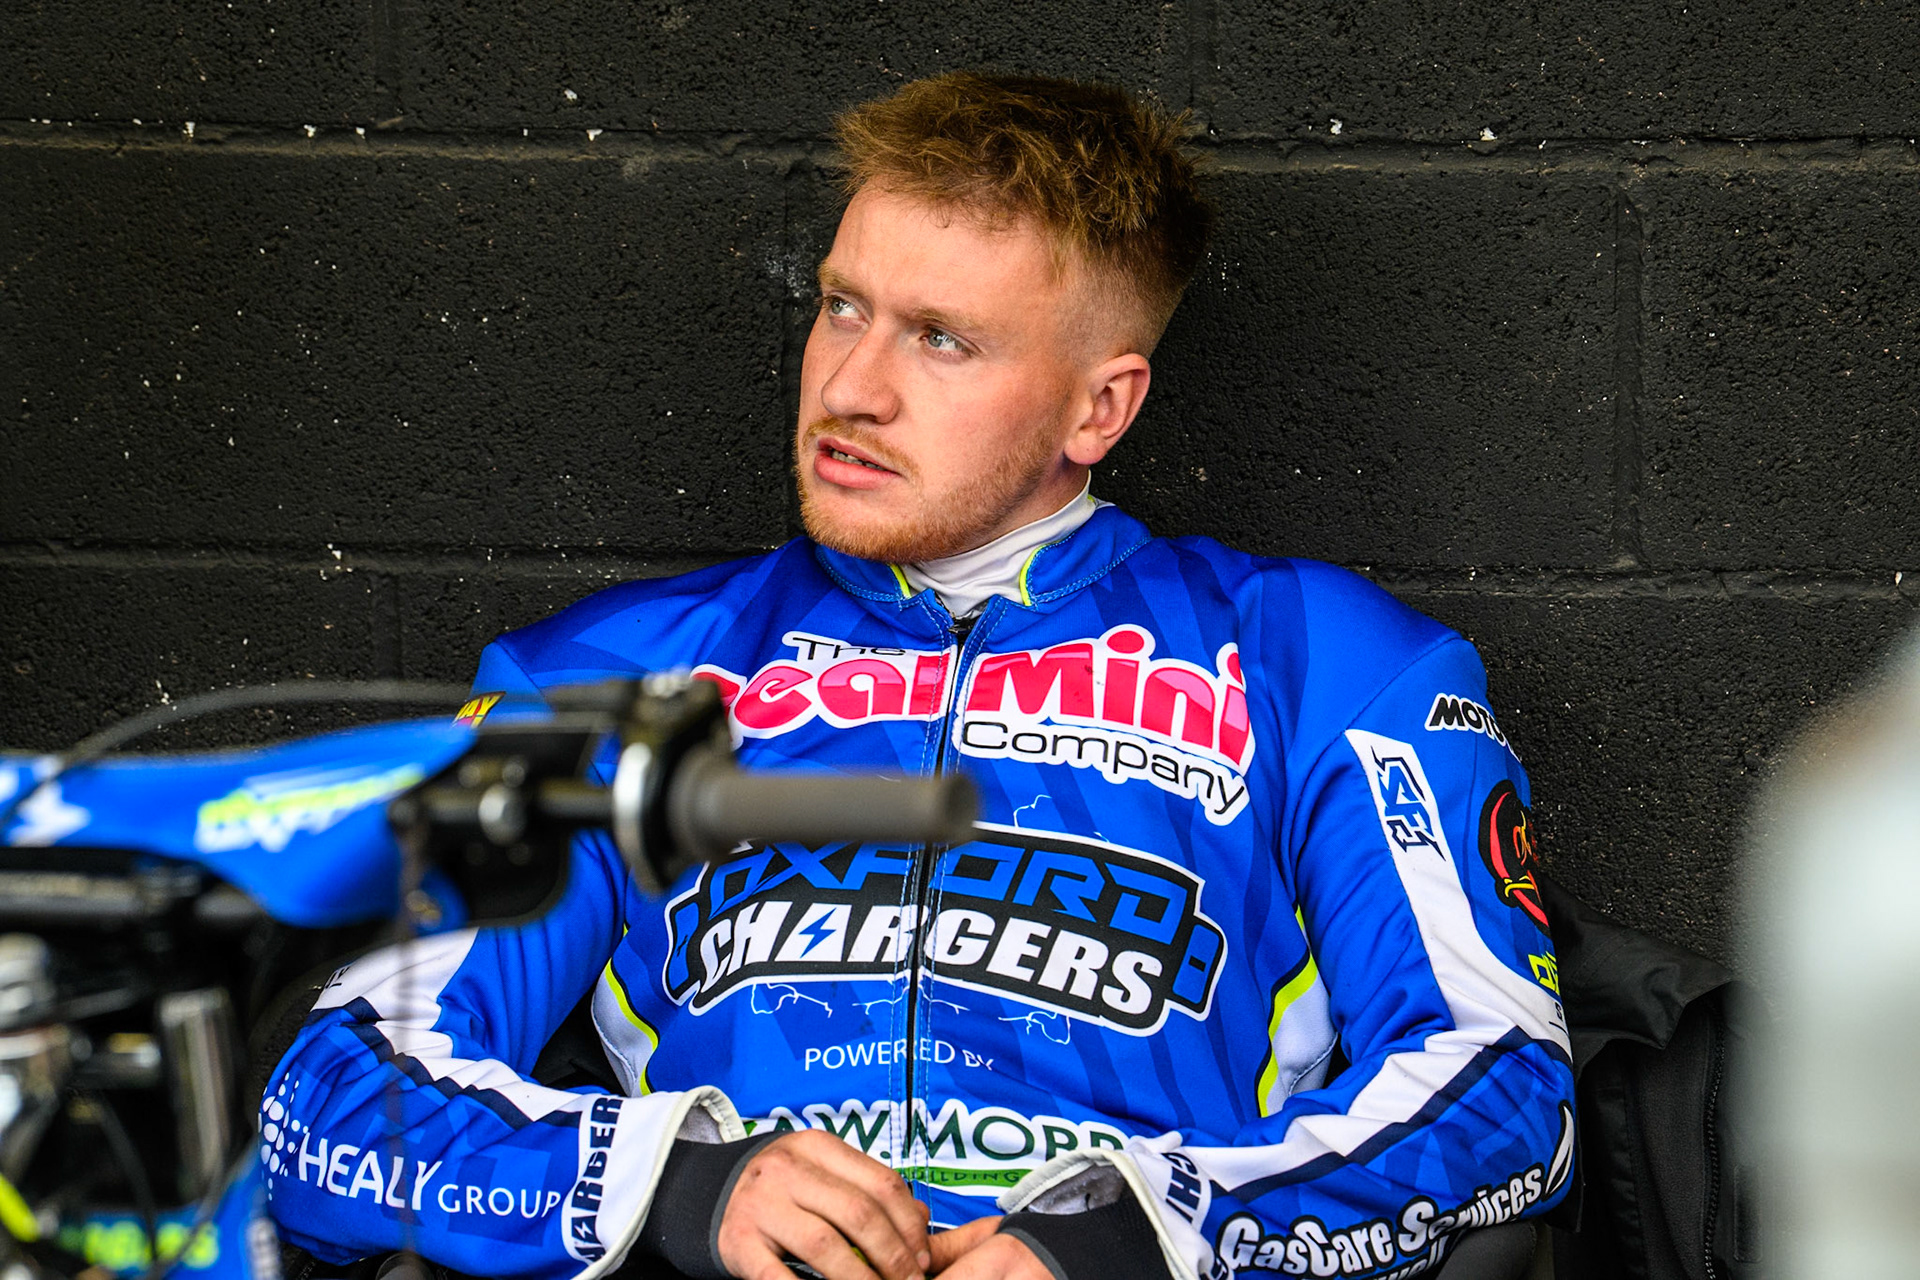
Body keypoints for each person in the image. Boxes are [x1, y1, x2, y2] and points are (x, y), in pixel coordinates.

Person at [261, 72, 1575, 1280]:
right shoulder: (599, 678)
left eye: (943, 339)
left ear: (1099, 409)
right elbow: (331, 1100)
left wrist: (1144, 1232)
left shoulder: (1330, 664)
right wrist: (671, 1183)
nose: (851, 387)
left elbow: (1504, 1085)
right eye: (843, 306)